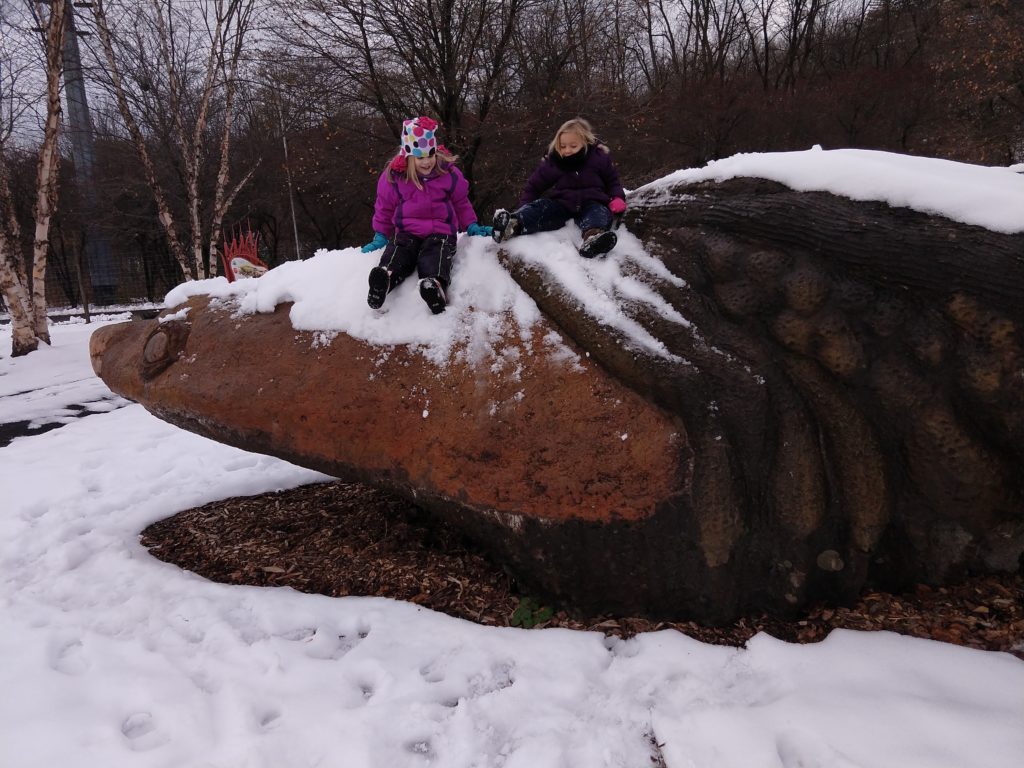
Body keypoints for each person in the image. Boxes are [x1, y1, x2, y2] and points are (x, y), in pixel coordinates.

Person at [361, 116, 492, 313]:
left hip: (440, 232)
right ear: (408, 157)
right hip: (407, 232)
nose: (427, 161)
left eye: (431, 154)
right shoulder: (395, 178)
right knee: (399, 251)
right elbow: (384, 207)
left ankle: (434, 286)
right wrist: (381, 234)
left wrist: (471, 225)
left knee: (436, 254)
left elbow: (461, 203)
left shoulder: (448, 174)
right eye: (420, 157)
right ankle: (385, 279)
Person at [491, 118, 627, 258]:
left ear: (586, 142)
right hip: (563, 204)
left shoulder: (598, 158)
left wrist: (617, 198)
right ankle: (512, 224)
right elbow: (533, 186)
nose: (567, 150)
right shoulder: (554, 162)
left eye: (573, 146)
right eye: (563, 146)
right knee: (541, 207)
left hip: (592, 202)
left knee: (598, 214)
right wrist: (524, 207)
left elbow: (612, 181)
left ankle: (593, 239)